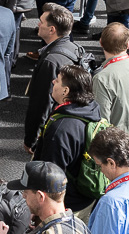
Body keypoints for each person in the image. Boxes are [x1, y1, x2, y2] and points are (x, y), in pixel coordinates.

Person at [33, 66, 105, 212]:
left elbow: (52, 174)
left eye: (58, 80)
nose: (53, 82)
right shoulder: (91, 111)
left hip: (67, 205)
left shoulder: (60, 129)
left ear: (66, 91)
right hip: (86, 198)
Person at [23, 4, 87, 151]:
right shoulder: (74, 48)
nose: (38, 24)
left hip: (53, 130)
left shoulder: (50, 62)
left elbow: (41, 104)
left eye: (41, 22)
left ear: (52, 30)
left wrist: (32, 139)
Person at [93, 24, 129, 146]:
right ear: (128, 44)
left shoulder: (102, 78)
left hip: (112, 142)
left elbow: (102, 120)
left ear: (101, 43)